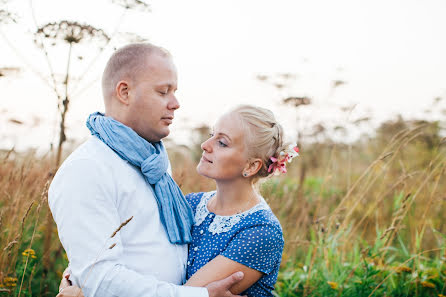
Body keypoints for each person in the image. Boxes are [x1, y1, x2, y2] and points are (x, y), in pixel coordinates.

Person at [49, 43, 246, 297]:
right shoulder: (86, 171)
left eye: (174, 92)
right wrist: (199, 296)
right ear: (124, 92)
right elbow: (98, 281)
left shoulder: (154, 162)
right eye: (163, 92)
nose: (175, 103)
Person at [59, 104, 297, 296]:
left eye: (222, 142)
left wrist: (88, 292)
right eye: (211, 135)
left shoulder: (260, 231)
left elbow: (186, 295)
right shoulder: (190, 204)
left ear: (251, 166)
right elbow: (135, 248)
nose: (206, 146)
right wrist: (82, 275)